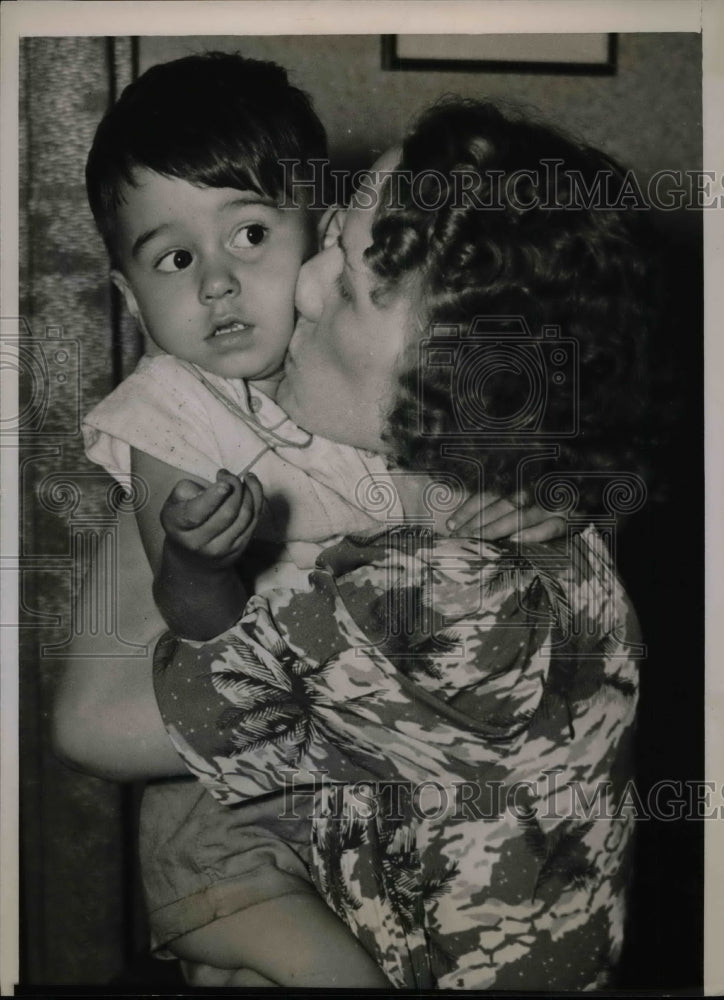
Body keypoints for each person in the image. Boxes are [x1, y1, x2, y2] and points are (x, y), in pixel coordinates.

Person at [56, 98, 655, 988]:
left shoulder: (410, 603)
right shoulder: (544, 519)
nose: (301, 284)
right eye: (333, 230)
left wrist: (165, 452)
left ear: (451, 370)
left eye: (345, 284)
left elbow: (91, 725)